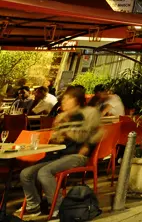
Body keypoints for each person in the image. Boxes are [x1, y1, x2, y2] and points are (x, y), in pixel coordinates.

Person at [17, 86, 102, 217]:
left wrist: (83, 145)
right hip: (58, 155)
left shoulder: (88, 114)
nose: (63, 102)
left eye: (67, 99)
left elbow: (95, 133)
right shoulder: (61, 117)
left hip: (76, 155)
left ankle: (58, 207)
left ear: (75, 100)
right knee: (25, 173)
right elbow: (55, 139)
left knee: (44, 172)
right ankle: (34, 206)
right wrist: (56, 135)